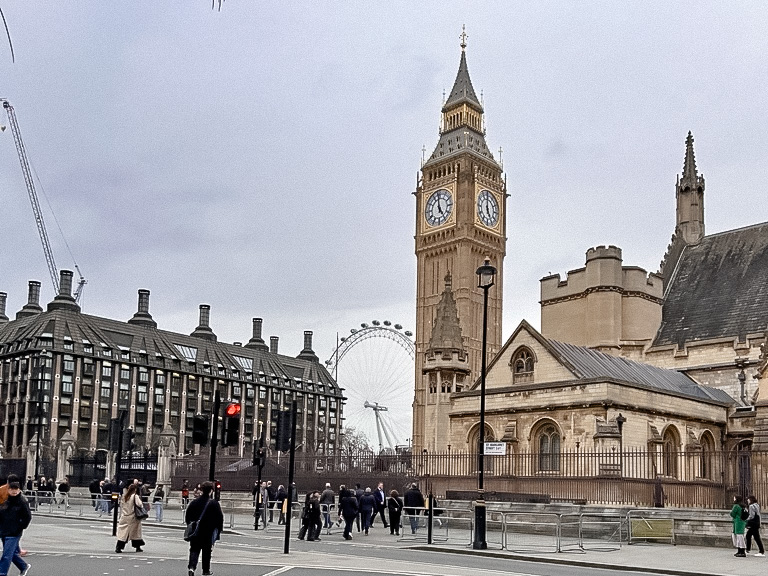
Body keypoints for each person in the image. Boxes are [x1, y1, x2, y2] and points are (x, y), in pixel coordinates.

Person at [185, 481, 223, 576]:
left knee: (194, 550)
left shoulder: (194, 502)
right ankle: (206, 570)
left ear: (201, 490)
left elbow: (187, 516)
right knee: (207, 551)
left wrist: (190, 525)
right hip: (208, 531)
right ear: (211, 491)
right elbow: (219, 518)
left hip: (196, 531)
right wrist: (218, 530)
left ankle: (191, 568)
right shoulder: (214, 503)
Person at [0, 475, 31, 576]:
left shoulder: (22, 502)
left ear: (19, 490)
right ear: (8, 490)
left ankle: (2, 573)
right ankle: (23, 566)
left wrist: (20, 527)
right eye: (12, 489)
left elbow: (27, 517)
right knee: (11, 553)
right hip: (4, 530)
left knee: (6, 555)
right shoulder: (6, 502)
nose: (14, 491)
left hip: (14, 532)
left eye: (16, 489)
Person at [115, 483, 146, 553]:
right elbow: (140, 505)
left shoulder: (124, 496)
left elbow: (121, 506)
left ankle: (119, 547)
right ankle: (137, 547)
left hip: (124, 516)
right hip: (133, 517)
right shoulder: (135, 496)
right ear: (135, 490)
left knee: (123, 533)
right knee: (135, 532)